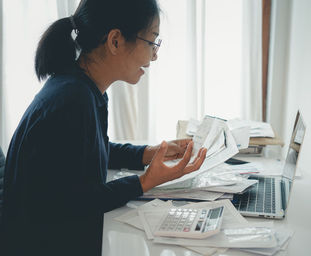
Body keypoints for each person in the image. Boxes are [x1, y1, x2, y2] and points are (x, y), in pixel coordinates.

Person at [0, 0, 207, 255]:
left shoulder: (82, 88)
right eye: (152, 41)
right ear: (115, 41)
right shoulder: (72, 100)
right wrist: (145, 181)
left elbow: (90, 150)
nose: (155, 54)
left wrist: (147, 153)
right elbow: (80, 201)